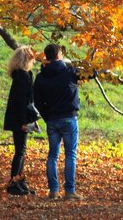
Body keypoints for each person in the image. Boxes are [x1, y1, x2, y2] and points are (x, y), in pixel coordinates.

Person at [33, 43, 84, 201]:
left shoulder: (41, 77)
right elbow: (91, 74)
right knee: (70, 155)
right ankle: (70, 191)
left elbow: (37, 101)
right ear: (59, 55)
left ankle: (53, 190)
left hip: (52, 119)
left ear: (46, 57)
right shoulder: (70, 72)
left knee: (52, 156)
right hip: (69, 117)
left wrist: (47, 116)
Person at [2, 45, 39, 196]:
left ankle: (19, 181)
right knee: (20, 151)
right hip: (20, 118)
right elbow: (22, 101)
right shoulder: (22, 77)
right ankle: (14, 183)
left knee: (21, 150)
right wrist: (24, 122)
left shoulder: (22, 75)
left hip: (19, 117)